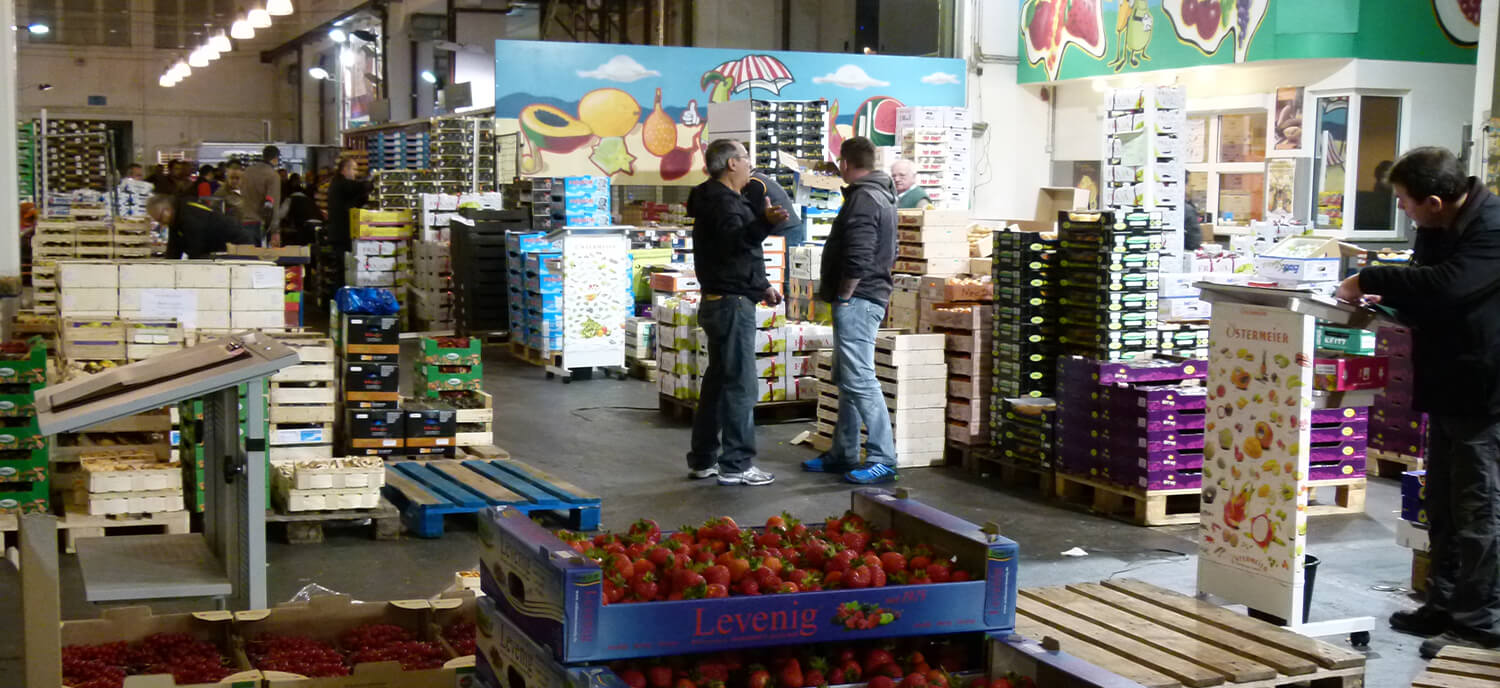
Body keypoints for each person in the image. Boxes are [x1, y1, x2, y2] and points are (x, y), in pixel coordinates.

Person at [1335, 146, 1500, 658]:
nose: (1401, 210)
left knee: (1478, 508)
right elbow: (1425, 288)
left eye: (1405, 201)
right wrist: (1388, 300)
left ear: (1434, 201)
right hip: (1447, 383)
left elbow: (1451, 287)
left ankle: (1480, 623)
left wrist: (1370, 278)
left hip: (1485, 392)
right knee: (1442, 504)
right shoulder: (1436, 226)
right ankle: (1443, 603)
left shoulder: (1493, 227)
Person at [684, 138, 788, 487]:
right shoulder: (725, 203)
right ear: (731, 163)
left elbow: (734, 256)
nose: (749, 164)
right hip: (731, 305)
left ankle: (703, 459)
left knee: (718, 383)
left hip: (722, 299)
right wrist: (764, 223)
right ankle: (737, 464)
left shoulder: (716, 198)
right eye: (745, 158)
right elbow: (735, 244)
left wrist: (760, 285)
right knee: (741, 385)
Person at [803, 136, 900, 484]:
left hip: (859, 299)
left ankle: (883, 457)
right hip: (867, 296)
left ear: (845, 164)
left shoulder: (863, 198)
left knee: (859, 378)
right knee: (847, 379)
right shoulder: (881, 193)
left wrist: (844, 295)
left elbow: (859, 253)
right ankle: (843, 453)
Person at [149, 194, 248, 260]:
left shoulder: (189, 214)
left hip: (236, 244)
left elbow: (196, 249)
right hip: (219, 248)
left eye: (160, 219)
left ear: (167, 210)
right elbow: (174, 250)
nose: (161, 224)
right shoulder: (176, 218)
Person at [743, 169, 805, 246]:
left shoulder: (754, 182)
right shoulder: (760, 177)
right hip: (791, 226)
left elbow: (750, 210)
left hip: (785, 229)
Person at [241, 145, 284, 246]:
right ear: (275, 159)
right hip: (260, 226)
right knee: (261, 255)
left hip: (243, 222)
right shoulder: (272, 175)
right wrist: (275, 231)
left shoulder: (247, 172)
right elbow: (271, 205)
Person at [279, 175, 320, 246]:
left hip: (302, 228)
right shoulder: (309, 200)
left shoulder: (290, 199)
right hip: (317, 227)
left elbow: (281, 214)